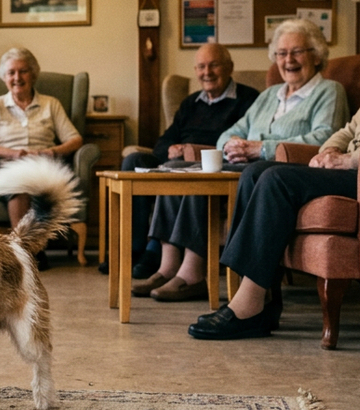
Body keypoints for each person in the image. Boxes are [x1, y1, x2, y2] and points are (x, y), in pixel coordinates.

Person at [190, 0, 360, 340]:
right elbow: (350, 127)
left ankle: (248, 306)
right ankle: (259, 299)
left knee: (277, 180)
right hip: (358, 168)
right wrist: (328, 152)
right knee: (255, 172)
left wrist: (351, 160)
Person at [135, 19, 349, 301]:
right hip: (243, 164)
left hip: (280, 170)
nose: (288, 60)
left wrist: (260, 148)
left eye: (297, 52)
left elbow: (324, 138)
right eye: (282, 54)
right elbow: (230, 132)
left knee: (203, 180)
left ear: (317, 55)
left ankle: (192, 273)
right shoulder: (270, 94)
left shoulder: (328, 91)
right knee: (176, 169)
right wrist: (233, 145)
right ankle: (167, 265)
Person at [103, 43, 259, 276]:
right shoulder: (190, 103)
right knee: (134, 160)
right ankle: (134, 248)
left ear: (229, 67)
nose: (207, 72)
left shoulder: (249, 99)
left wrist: (192, 151)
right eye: (201, 67)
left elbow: (241, 142)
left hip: (214, 164)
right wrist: (172, 149)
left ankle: (155, 251)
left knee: (173, 169)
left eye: (214, 65)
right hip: (178, 161)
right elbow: (164, 140)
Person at [0, 47, 85, 269]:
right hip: (10, 165)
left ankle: (26, 253)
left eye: (23, 71)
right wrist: (12, 153)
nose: (17, 78)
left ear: (33, 74)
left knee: (38, 182)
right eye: (11, 72)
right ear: (4, 77)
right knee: (20, 184)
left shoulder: (51, 104)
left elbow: (75, 139)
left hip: (43, 164)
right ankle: (27, 252)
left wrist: (52, 152)